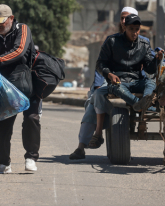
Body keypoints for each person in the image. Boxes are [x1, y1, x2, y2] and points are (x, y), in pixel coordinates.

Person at [70, 9, 163, 160]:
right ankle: (86, 142)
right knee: (99, 96)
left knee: (151, 81)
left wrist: (157, 60)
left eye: (137, 29)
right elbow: (100, 64)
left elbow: (149, 69)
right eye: (131, 29)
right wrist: (109, 74)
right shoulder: (112, 41)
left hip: (137, 80)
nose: (134, 33)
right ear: (124, 27)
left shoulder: (144, 43)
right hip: (118, 80)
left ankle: (146, 101)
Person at [0, 4, 40, 174]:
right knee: (4, 121)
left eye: (2, 23)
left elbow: (19, 51)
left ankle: (31, 158)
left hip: (26, 80)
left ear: (11, 19)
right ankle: (3, 163)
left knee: (31, 119)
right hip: (3, 83)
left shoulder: (23, 29)